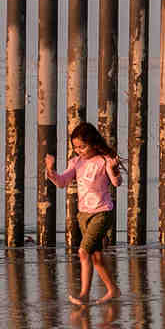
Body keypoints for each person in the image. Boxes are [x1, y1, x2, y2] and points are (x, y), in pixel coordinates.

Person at [45, 123, 122, 305]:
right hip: (83, 215)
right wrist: (50, 170)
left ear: (93, 143)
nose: (79, 150)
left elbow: (117, 183)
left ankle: (84, 294)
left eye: (82, 146)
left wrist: (113, 168)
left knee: (82, 251)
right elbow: (62, 182)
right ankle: (113, 290)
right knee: (95, 257)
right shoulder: (76, 162)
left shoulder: (104, 160)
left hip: (102, 212)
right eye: (76, 147)